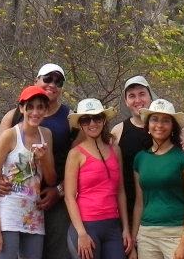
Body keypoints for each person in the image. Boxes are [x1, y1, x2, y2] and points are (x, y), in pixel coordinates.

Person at [0, 63, 74, 259]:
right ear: (36, 81)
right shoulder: (13, 116)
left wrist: (59, 190)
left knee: (55, 253)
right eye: (47, 79)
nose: (52, 84)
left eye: (58, 81)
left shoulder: (71, 118)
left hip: (55, 199)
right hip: (16, 198)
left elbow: (80, 162)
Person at [0, 85, 57, 259]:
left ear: (46, 110)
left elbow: (51, 179)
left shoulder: (46, 135)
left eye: (40, 107)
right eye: (30, 107)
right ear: (21, 108)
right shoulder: (10, 135)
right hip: (7, 216)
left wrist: (44, 158)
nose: (35, 112)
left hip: (33, 217)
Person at [112, 76, 184, 219]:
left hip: (170, 211)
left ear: (150, 96)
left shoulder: (174, 128)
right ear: (126, 101)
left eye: (142, 94)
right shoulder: (117, 131)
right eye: (132, 96)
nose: (138, 100)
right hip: (130, 210)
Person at [64, 98, 133, 259]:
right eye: (86, 119)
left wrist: (125, 228)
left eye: (97, 118)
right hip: (87, 225)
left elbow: (120, 191)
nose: (92, 123)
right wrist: (81, 233)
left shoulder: (115, 150)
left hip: (112, 226)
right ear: (80, 124)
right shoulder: (75, 154)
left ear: (103, 120)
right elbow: (69, 197)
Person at [132, 99, 184, 259]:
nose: (159, 125)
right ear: (148, 125)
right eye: (155, 119)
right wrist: (136, 237)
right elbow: (139, 202)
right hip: (147, 235)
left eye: (166, 121)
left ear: (172, 127)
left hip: (177, 233)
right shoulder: (140, 158)